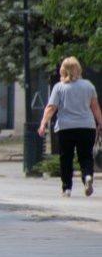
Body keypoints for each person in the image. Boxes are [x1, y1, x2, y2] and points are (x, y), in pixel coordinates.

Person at [37, 57, 102, 197]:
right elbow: (95, 107)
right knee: (86, 156)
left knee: (66, 157)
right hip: (86, 126)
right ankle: (87, 177)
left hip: (65, 127)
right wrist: (100, 122)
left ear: (63, 70)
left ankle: (67, 188)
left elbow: (51, 107)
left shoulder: (59, 87)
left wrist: (43, 123)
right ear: (78, 69)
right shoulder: (88, 85)